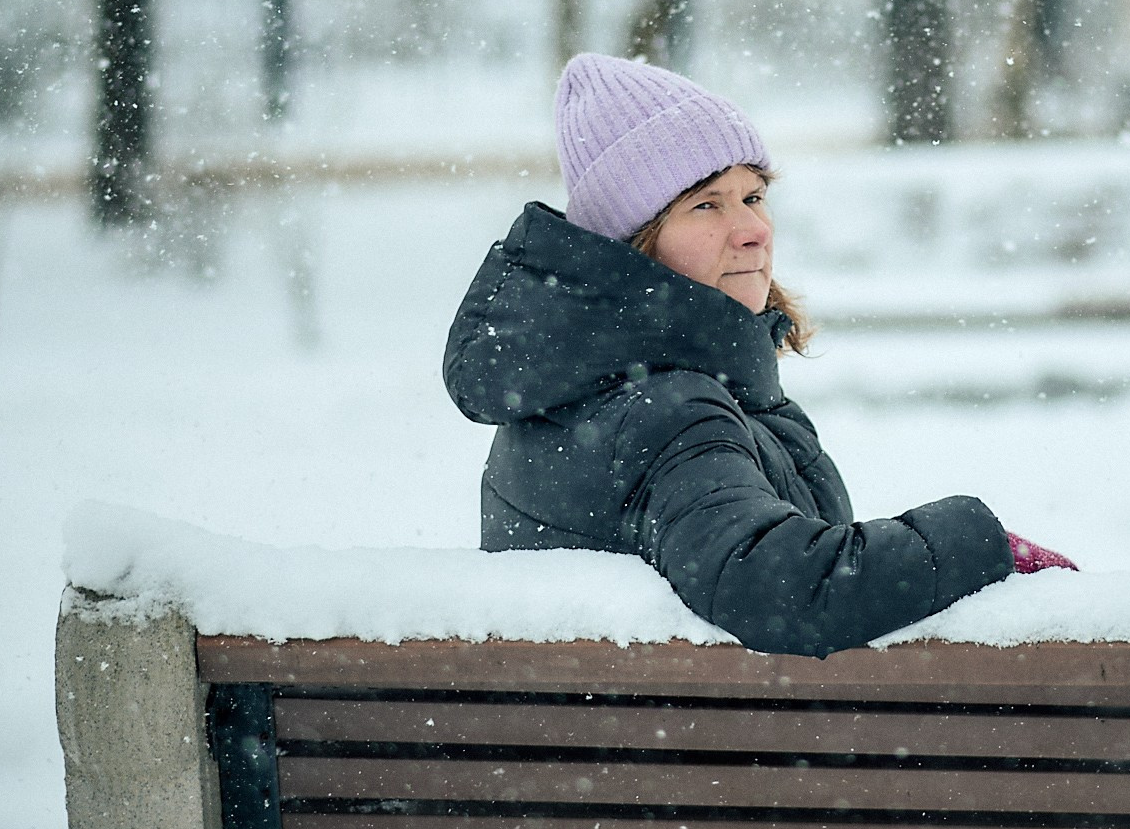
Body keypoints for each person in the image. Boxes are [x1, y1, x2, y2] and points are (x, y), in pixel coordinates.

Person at [444, 53, 1075, 657]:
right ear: (635, 244)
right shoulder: (665, 410)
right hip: (688, 763)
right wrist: (980, 545)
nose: (753, 228)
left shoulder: (585, 389)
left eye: (753, 196)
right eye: (706, 204)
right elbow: (785, 586)